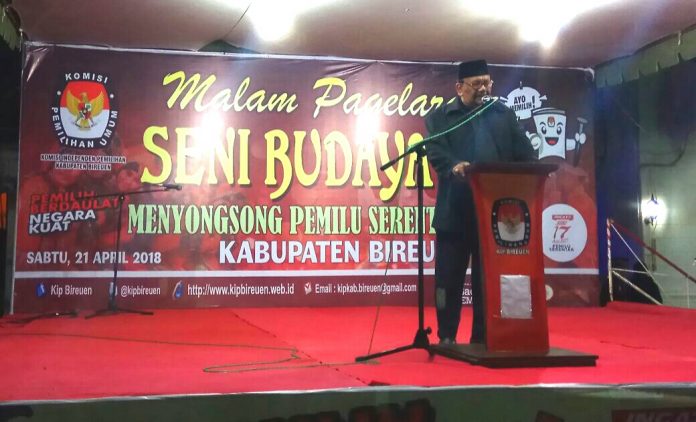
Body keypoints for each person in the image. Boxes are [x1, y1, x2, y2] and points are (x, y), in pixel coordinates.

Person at [424, 59, 536, 345]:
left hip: (494, 214)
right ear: (459, 87)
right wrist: (454, 166)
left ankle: (483, 337)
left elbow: (527, 154)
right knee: (447, 281)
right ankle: (446, 336)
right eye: (477, 84)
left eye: (487, 83)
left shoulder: (503, 115)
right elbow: (436, 152)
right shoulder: (441, 118)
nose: (484, 89)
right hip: (455, 212)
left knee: (487, 281)